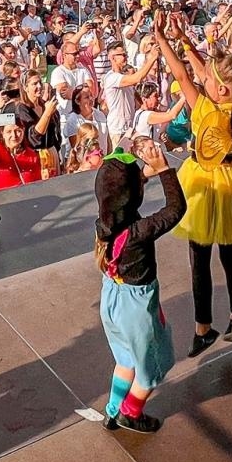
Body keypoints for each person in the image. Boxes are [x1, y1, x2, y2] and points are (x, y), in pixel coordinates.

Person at [153, 15, 232, 358]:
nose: (205, 80)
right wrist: (185, 41)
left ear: (220, 87)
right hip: (230, 179)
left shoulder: (205, 107)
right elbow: (202, 73)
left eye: (211, 80)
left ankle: (203, 328)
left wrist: (163, 40)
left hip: (203, 180)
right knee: (230, 255)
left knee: (199, 258)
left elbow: (182, 75)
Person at [93, 140, 184, 435]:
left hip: (112, 301)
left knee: (125, 360)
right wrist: (165, 171)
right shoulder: (138, 232)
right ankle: (130, 413)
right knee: (151, 365)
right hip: (136, 308)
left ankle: (112, 411)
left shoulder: (104, 224)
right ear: (135, 194)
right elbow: (175, 209)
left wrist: (142, 174)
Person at [100, 39, 159, 151]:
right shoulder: (112, 77)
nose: (126, 57)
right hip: (117, 130)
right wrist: (152, 59)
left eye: (126, 54)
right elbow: (137, 77)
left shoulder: (122, 76)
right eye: (122, 55)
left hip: (128, 129)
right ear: (112, 57)